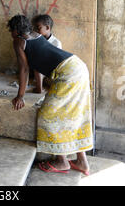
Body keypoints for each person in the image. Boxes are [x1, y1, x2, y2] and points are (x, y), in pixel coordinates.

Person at [8, 14, 93, 175]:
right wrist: (38, 89)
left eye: (11, 30)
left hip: (68, 74)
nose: (10, 34)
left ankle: (62, 161)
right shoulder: (37, 35)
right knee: (74, 115)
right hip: (78, 66)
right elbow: (39, 63)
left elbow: (24, 69)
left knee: (50, 115)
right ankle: (82, 162)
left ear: (15, 31)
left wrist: (20, 96)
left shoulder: (19, 41)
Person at [31, 14, 62, 93]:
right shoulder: (37, 40)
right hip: (41, 70)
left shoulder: (56, 43)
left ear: (47, 28)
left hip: (52, 70)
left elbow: (57, 61)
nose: (37, 31)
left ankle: (39, 88)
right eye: (35, 28)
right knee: (36, 66)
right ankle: (40, 86)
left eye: (39, 28)